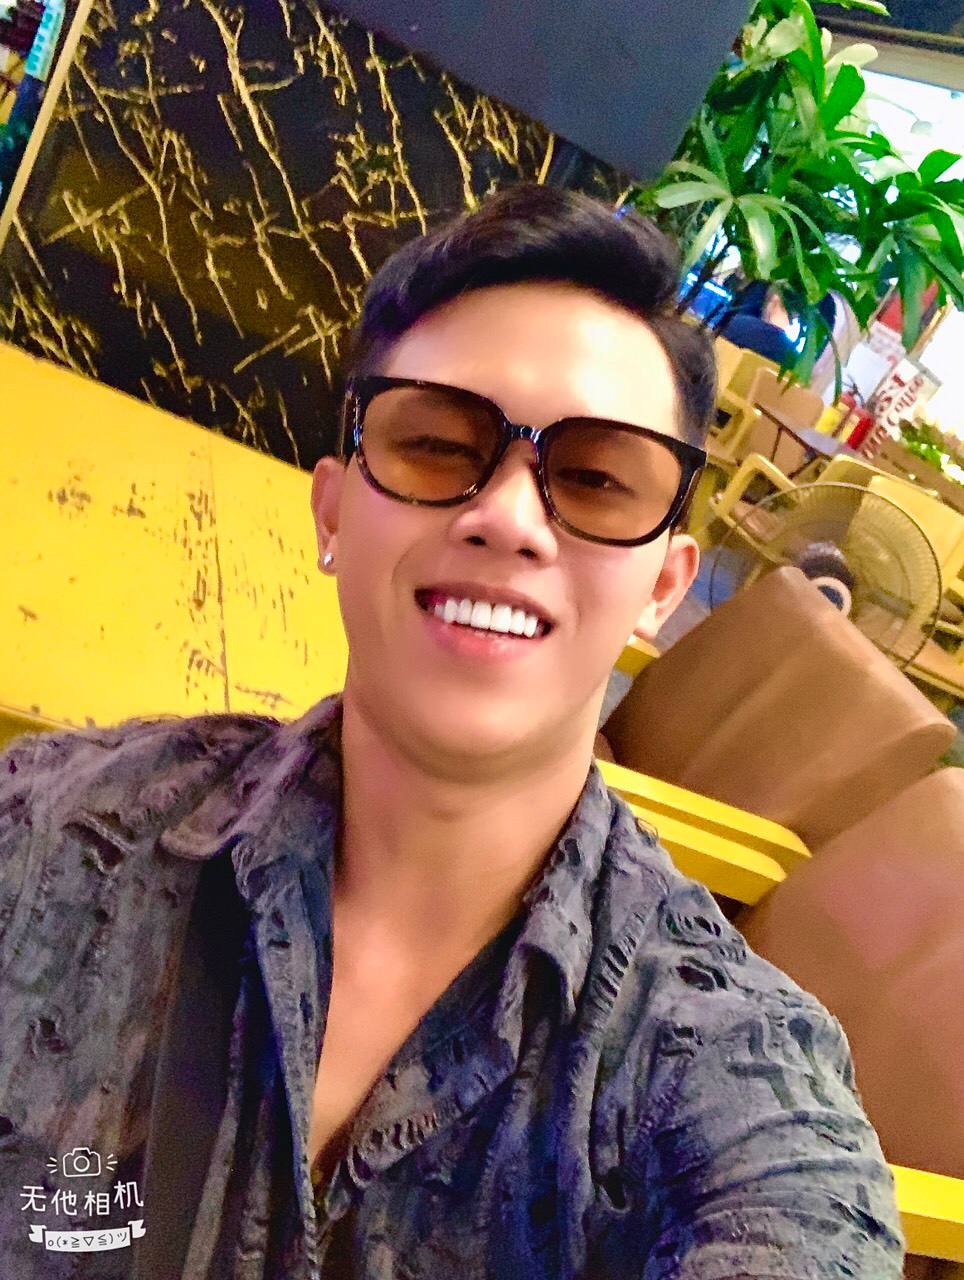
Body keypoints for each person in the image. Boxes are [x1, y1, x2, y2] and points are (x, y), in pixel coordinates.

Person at [0, 184, 903, 1279]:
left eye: (596, 479)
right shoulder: (52, 839)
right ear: (333, 511)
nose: (507, 517)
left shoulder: (712, 1076)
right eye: (435, 444)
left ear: (664, 586)